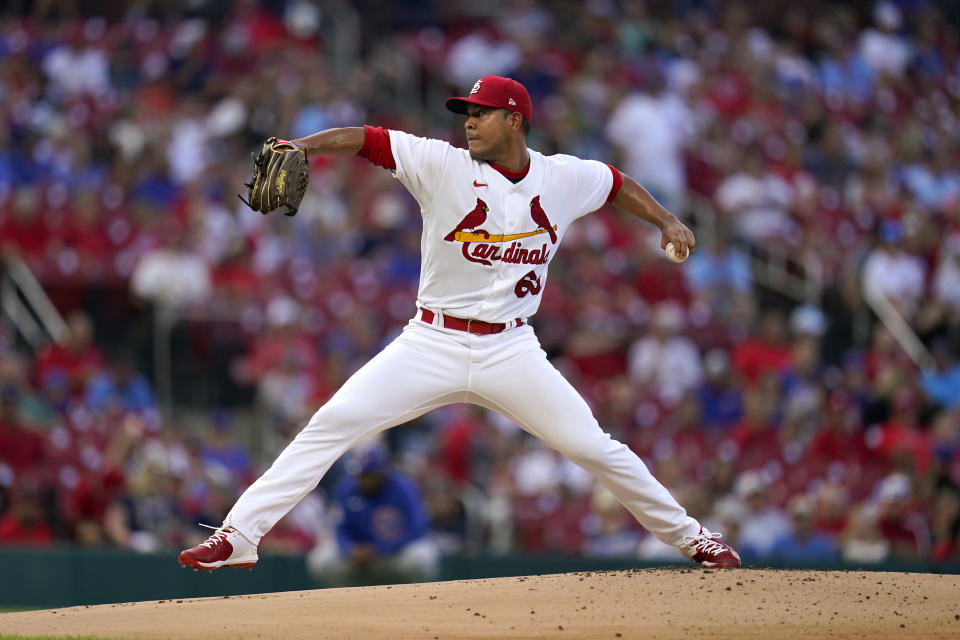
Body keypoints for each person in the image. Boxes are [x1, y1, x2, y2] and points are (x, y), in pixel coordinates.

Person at [178, 76, 740, 571]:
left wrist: (667, 219)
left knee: (594, 448)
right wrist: (303, 145)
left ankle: (694, 538)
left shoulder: (563, 178)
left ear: (514, 120)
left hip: (513, 349)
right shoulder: (441, 164)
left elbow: (616, 183)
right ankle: (239, 535)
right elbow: (368, 138)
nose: (468, 122)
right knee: (332, 423)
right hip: (431, 341)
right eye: (466, 113)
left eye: (479, 113)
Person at [305, 444, 439, 586]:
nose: (364, 480)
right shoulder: (347, 488)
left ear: (383, 472)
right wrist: (350, 548)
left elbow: (416, 528)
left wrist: (378, 549)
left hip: (393, 555)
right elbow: (339, 527)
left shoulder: (404, 488)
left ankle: (414, 600)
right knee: (321, 559)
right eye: (362, 475)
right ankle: (345, 602)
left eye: (370, 475)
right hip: (357, 557)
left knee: (421, 557)